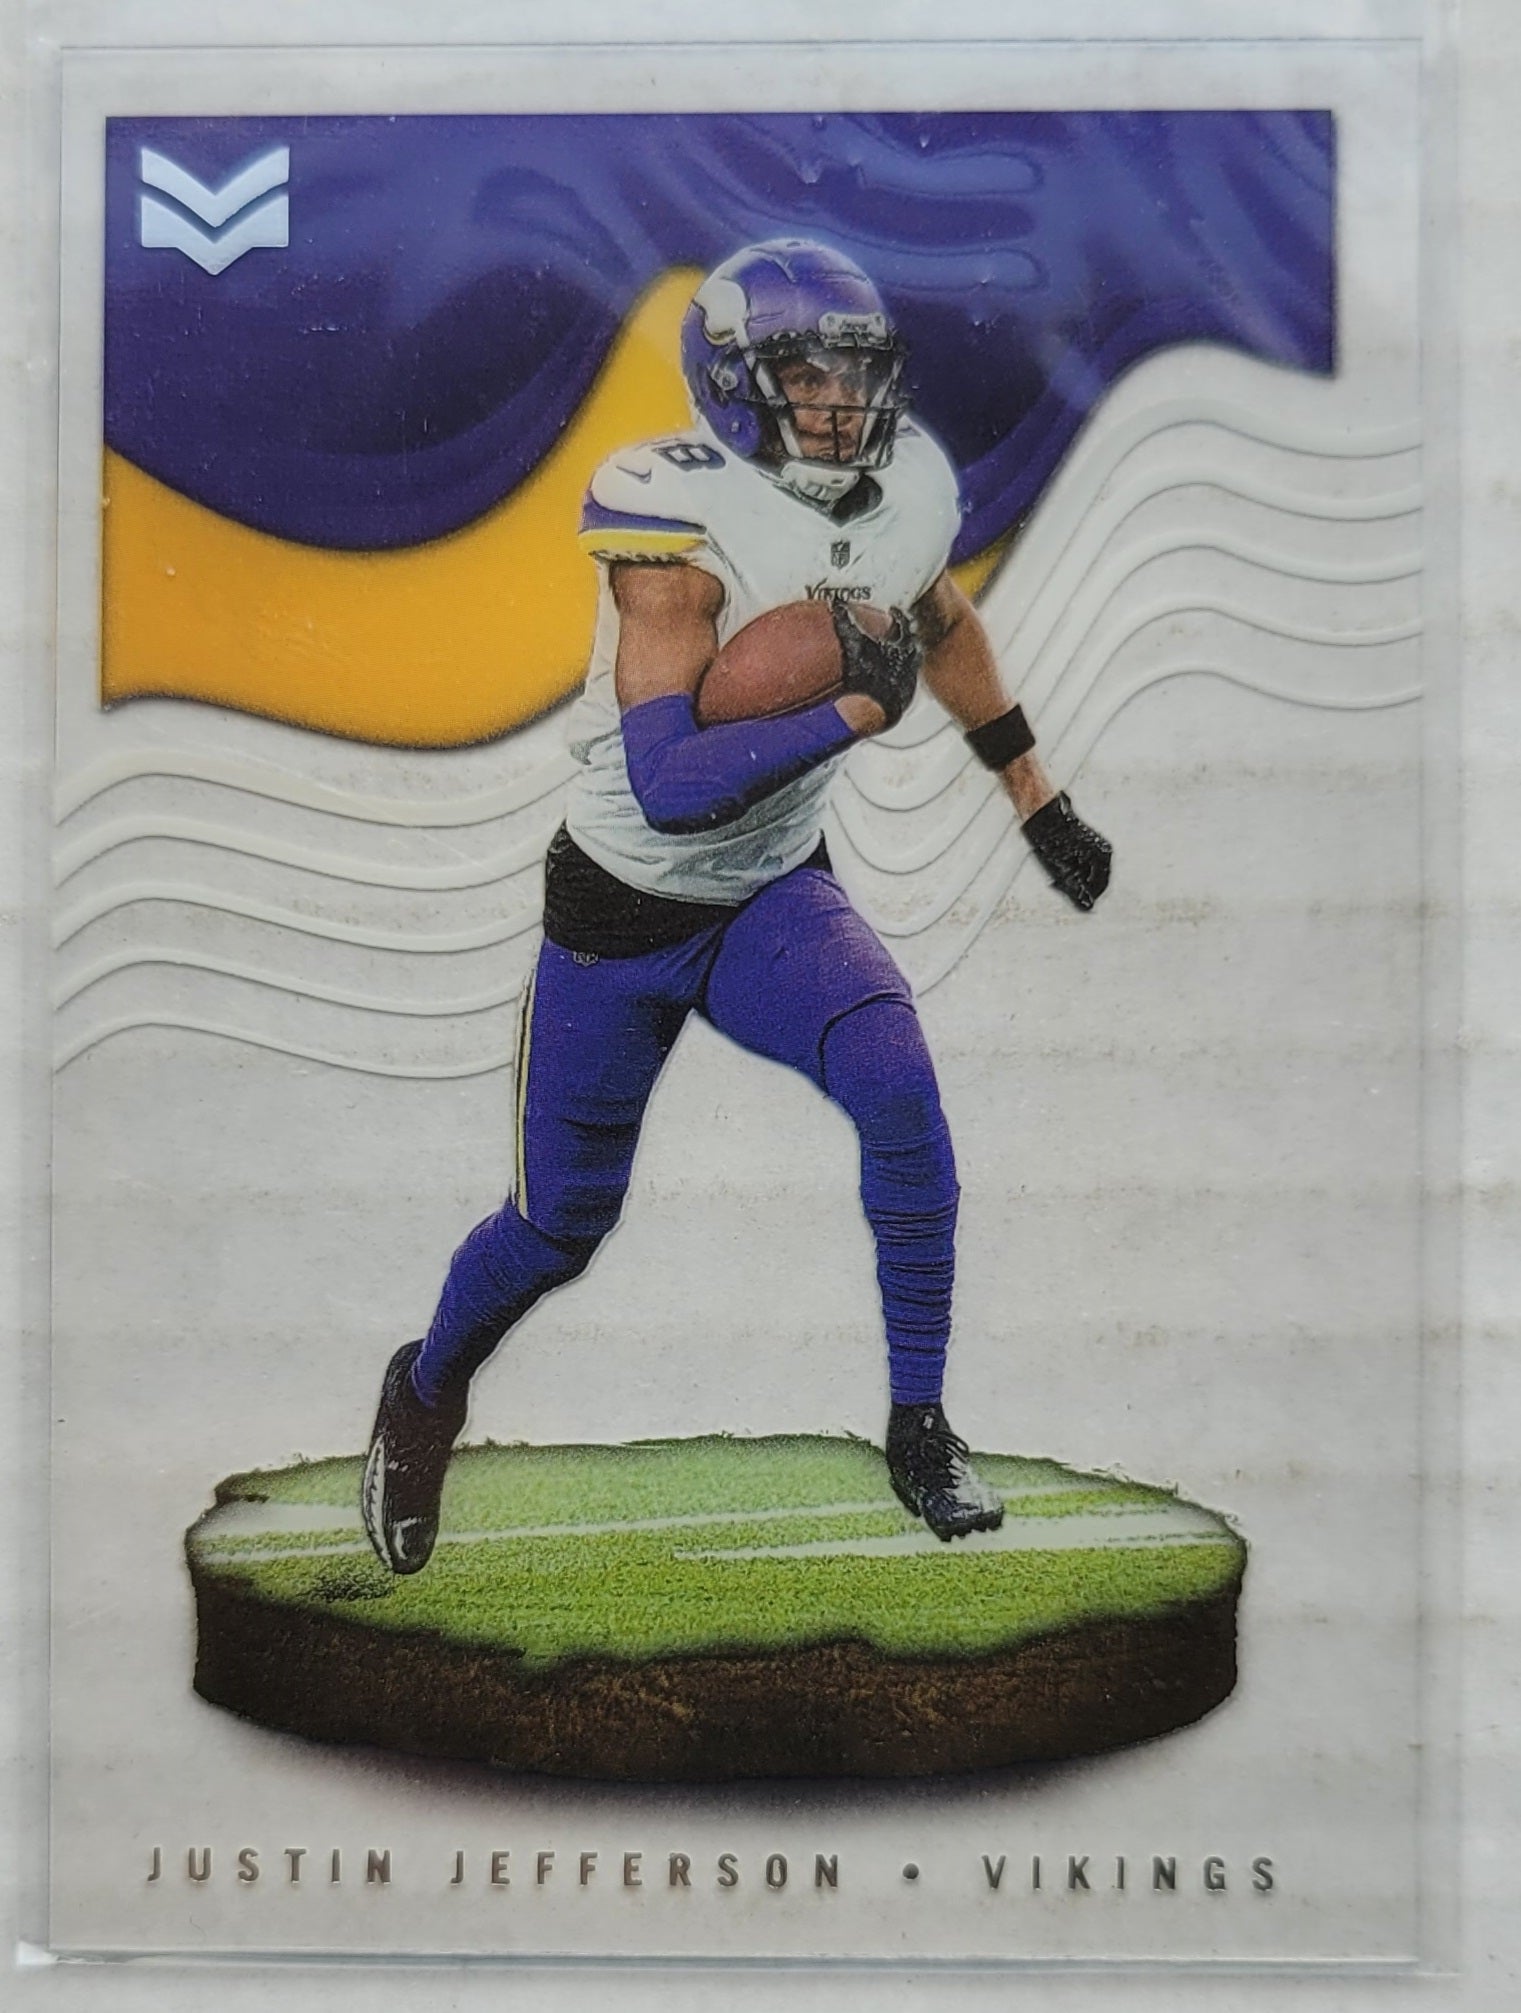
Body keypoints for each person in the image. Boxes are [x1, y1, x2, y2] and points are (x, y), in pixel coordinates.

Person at [361, 239, 1111, 1575]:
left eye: (854, 372)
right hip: (623, 911)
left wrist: (1034, 797)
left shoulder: (904, 485)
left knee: (900, 1088)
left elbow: (940, 622)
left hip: (771, 890)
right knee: (556, 1229)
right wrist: (849, 708)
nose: (838, 402)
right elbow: (665, 786)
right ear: (732, 382)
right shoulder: (672, 519)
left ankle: (920, 1423)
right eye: (805, 374)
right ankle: (423, 1393)